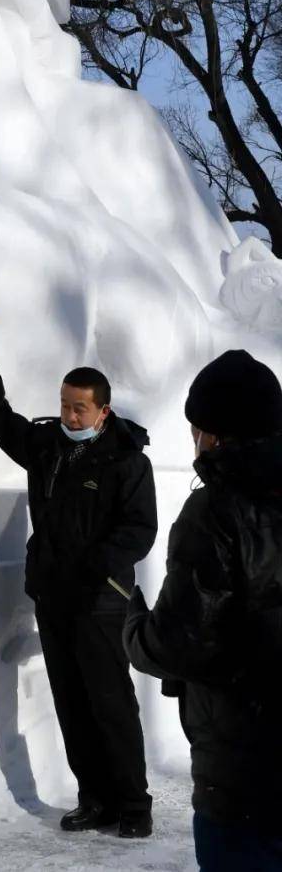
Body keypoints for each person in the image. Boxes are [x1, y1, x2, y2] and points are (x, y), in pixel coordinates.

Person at [0, 316, 157, 838]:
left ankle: (133, 805)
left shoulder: (126, 461)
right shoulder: (48, 445)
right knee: (71, 703)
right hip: (53, 598)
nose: (70, 413)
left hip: (101, 600)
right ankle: (94, 799)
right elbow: (3, 423)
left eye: (80, 407)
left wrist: (94, 568)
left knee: (110, 702)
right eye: (65, 404)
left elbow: (139, 530)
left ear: (103, 410)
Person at [123, 348, 282, 872]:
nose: (194, 441)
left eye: (198, 429)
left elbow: (179, 643)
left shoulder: (216, 508)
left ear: (215, 434)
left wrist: (133, 628)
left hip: (243, 775)